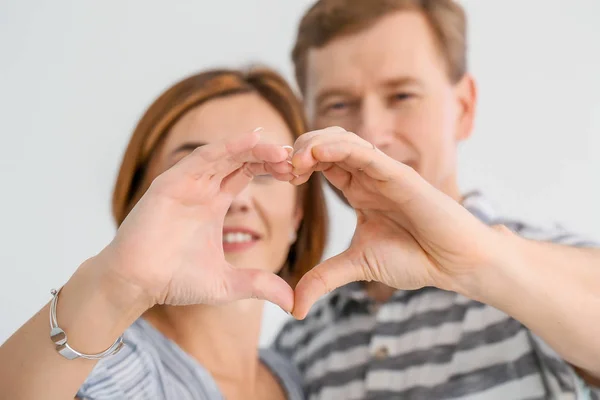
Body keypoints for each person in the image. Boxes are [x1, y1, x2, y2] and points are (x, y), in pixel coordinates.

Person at [272, 0, 600, 399]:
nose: (370, 134)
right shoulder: (298, 341)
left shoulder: (553, 272)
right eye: (337, 105)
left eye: (402, 96)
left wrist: (479, 261)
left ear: (464, 108)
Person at [0, 67, 327, 399]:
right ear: (139, 202)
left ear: (298, 213)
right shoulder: (104, 368)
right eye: (199, 170)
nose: (238, 198)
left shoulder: (297, 375)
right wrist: (114, 286)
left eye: (266, 171)